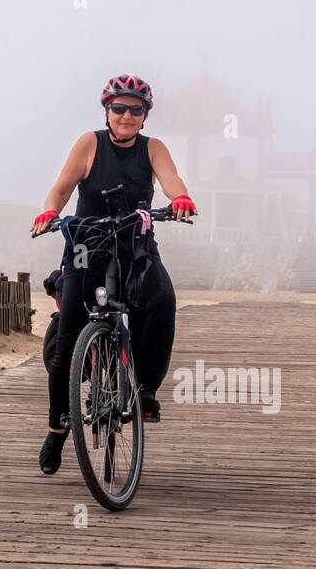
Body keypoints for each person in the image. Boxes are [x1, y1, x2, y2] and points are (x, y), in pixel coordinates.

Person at [30, 74, 196, 475]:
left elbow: (171, 180)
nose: (126, 115)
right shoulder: (90, 143)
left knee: (162, 301)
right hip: (88, 246)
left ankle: (145, 390)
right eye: (118, 108)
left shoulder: (152, 149)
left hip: (134, 247)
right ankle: (57, 429)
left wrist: (181, 198)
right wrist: (50, 211)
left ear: (144, 116)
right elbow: (61, 189)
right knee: (68, 336)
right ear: (107, 111)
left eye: (135, 110)